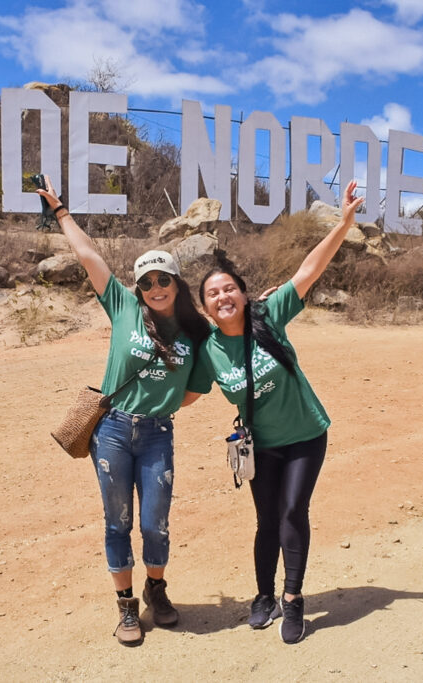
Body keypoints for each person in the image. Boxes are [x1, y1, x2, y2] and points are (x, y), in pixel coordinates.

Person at [184, 180, 364, 644]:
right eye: (213, 294)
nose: (223, 297)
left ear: (243, 295)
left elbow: (310, 268)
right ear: (205, 308)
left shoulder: (269, 315)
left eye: (229, 289)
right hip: (262, 445)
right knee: (266, 521)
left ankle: (294, 598)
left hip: (306, 435)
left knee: (291, 512)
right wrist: (136, 409)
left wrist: (343, 223)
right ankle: (263, 595)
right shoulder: (209, 352)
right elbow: (186, 396)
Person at [36, 176, 210, 646]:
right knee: (118, 522)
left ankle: (157, 590)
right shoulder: (123, 306)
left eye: (163, 279)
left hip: (156, 434)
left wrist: (160, 405)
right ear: (138, 286)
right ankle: (126, 607)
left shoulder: (195, 333)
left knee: (156, 521)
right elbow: (89, 257)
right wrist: (62, 212)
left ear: (176, 282)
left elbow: (193, 391)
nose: (155, 287)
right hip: (111, 432)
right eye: (147, 280)